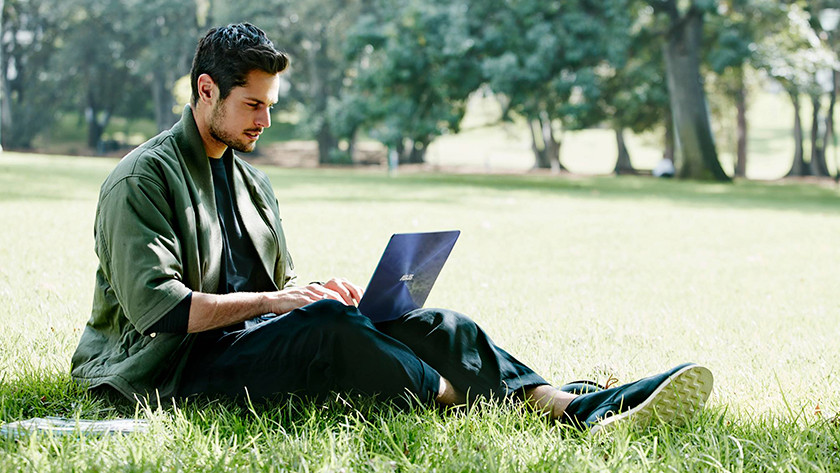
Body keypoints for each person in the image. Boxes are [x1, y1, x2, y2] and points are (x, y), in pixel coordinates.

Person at [70, 23, 713, 433]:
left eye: (271, 105)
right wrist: (288, 304)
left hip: (250, 343)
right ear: (206, 90)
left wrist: (312, 288)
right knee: (329, 329)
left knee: (437, 324)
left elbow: (269, 285)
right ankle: (495, 399)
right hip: (173, 372)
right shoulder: (142, 180)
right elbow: (160, 311)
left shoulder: (251, 182)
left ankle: (579, 404)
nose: (265, 120)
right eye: (253, 105)